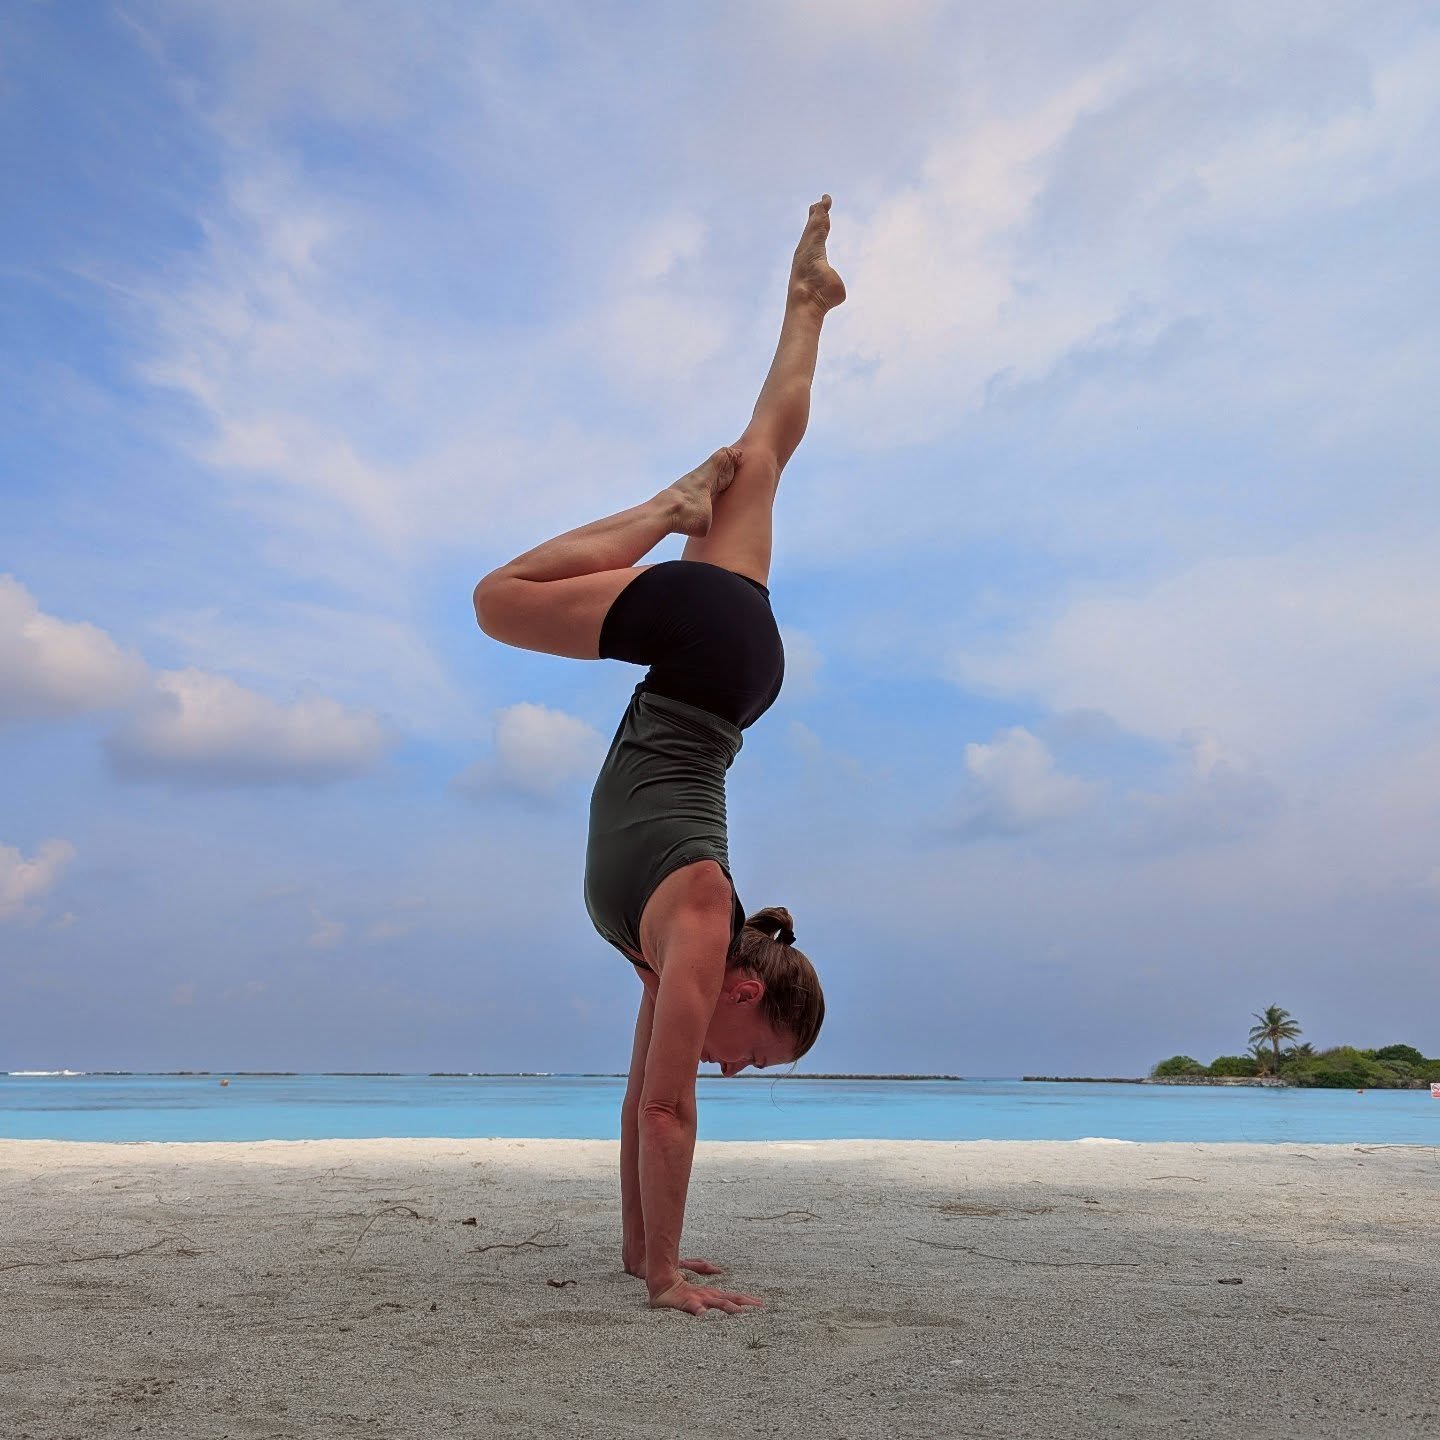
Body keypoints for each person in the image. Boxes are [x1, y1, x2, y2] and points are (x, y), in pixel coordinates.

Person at [474, 196, 846, 1316]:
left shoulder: (677, 941)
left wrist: (652, 1260)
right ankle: (663, 503)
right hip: (707, 663)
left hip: (728, 675)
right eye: (756, 1053)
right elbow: (671, 1113)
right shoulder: (694, 917)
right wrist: (674, 1285)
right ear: (745, 986)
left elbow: (643, 1094)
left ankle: (807, 306)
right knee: (499, 601)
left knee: (764, 457)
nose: (731, 1069)